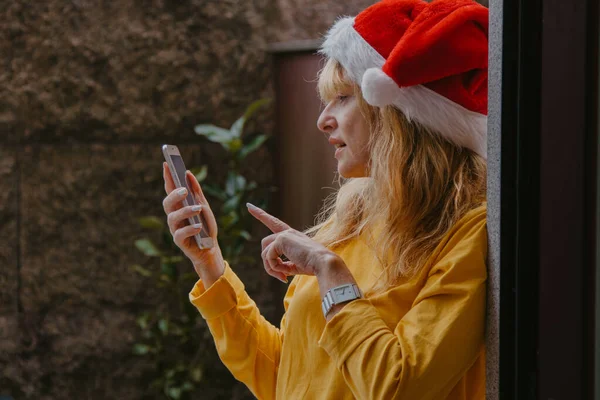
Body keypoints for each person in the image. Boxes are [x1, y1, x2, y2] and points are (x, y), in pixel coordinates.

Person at [161, 0, 489, 398]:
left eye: (344, 97)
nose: (323, 119)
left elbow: (398, 385)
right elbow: (283, 375)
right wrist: (210, 264)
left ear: (400, 114)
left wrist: (328, 269)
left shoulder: (469, 231)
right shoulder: (352, 220)